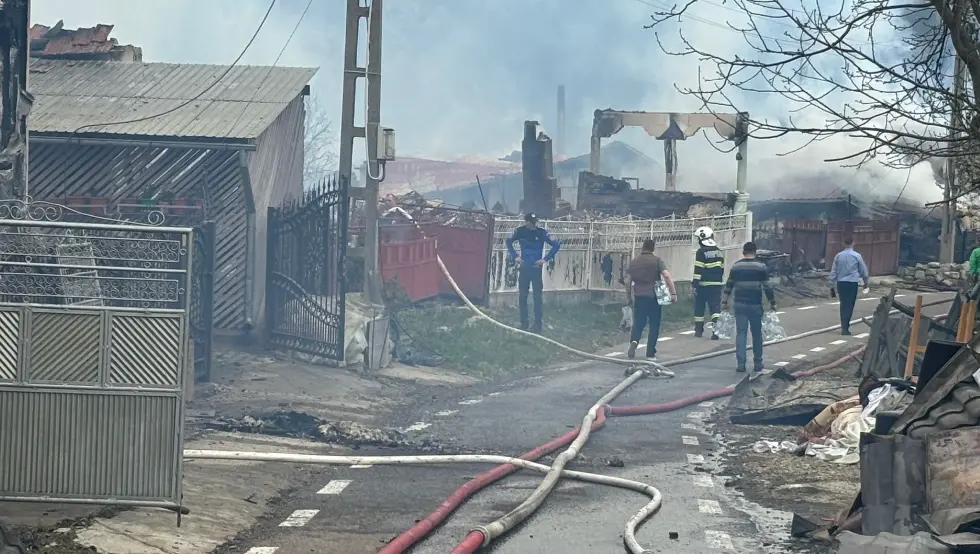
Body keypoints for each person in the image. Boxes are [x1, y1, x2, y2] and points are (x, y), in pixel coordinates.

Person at [722, 241, 776, 373]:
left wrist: (724, 301)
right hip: (755, 304)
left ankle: (741, 364)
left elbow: (729, 284)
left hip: (739, 304)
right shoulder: (761, 266)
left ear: (743, 252)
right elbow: (767, 286)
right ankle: (758, 363)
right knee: (757, 334)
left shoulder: (736, 267)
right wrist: (772, 301)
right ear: (755, 252)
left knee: (741, 333)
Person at [505, 213, 561, 332]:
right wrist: (515, 256)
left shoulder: (541, 232)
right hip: (525, 266)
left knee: (537, 297)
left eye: (535, 221)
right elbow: (508, 241)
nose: (534, 224)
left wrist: (545, 259)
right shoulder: (520, 231)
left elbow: (556, 244)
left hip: (536, 267)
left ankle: (537, 325)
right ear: (527, 222)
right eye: (531, 221)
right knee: (523, 296)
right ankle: (524, 323)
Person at [626, 238, 678, 360]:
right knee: (654, 324)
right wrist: (673, 293)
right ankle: (650, 354)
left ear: (642, 247)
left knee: (639, 322)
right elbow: (666, 275)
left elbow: (628, 282)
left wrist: (629, 298)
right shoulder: (657, 261)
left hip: (639, 296)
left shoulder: (634, 262)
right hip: (654, 297)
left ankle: (634, 342)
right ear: (653, 249)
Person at [830, 237, 870, 336]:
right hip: (852, 283)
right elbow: (863, 271)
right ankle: (846, 327)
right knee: (850, 304)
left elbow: (833, 271)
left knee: (843, 304)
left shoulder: (838, 256)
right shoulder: (857, 256)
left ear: (843, 243)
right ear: (853, 243)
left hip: (841, 283)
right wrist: (866, 282)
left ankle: (844, 326)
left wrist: (832, 284)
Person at [692, 226, 725, 340]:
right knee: (715, 308)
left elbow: (698, 270)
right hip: (716, 285)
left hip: (703, 285)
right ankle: (716, 332)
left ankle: (699, 330)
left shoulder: (701, 252)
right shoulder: (719, 252)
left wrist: (695, 285)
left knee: (699, 308)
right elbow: (721, 269)